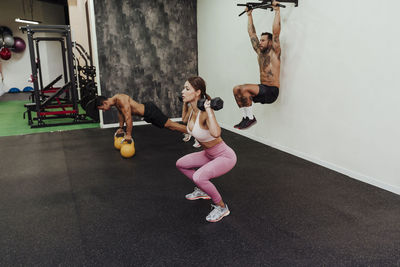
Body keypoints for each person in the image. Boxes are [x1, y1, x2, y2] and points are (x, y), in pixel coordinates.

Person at [176, 76, 237, 223]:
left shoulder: (204, 113)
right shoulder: (192, 110)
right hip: (208, 154)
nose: (183, 91)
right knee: (181, 164)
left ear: (197, 92)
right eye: (184, 88)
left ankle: (222, 207)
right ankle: (203, 190)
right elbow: (184, 120)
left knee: (199, 177)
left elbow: (216, 133)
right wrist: (185, 103)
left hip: (224, 156)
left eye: (187, 89)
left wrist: (209, 110)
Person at [233, 0, 281, 129]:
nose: (260, 42)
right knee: (236, 89)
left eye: (263, 40)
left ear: (270, 42)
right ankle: (245, 117)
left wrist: (277, 11)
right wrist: (249, 15)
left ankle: (250, 118)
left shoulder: (274, 52)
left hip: (272, 91)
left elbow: (276, 33)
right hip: (262, 88)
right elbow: (251, 34)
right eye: (260, 40)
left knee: (243, 88)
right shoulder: (260, 52)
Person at [96, 94, 187, 140]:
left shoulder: (120, 100)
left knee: (170, 125)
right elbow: (121, 115)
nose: (103, 110)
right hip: (147, 114)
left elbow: (128, 117)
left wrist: (128, 134)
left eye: (102, 108)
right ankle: (187, 131)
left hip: (150, 111)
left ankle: (194, 132)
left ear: (105, 103)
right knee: (168, 126)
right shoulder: (115, 102)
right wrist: (120, 128)